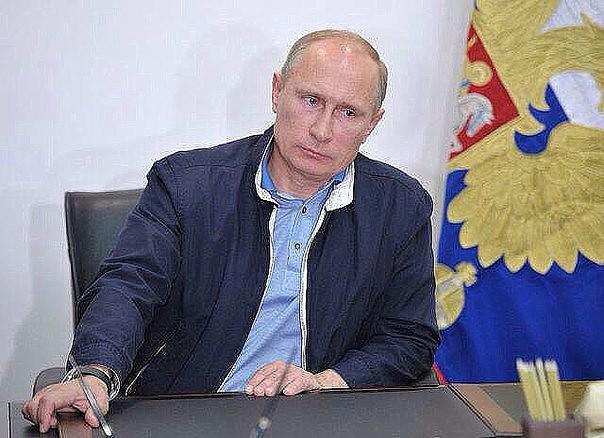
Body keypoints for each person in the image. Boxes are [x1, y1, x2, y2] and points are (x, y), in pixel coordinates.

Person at [23, 29, 440, 433]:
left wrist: (326, 381)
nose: (322, 130)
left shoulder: (401, 208)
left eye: (349, 113)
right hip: (184, 411)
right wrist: (95, 372)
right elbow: (129, 285)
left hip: (316, 419)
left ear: (373, 123)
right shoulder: (186, 185)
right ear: (277, 91)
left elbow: (408, 337)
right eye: (311, 100)